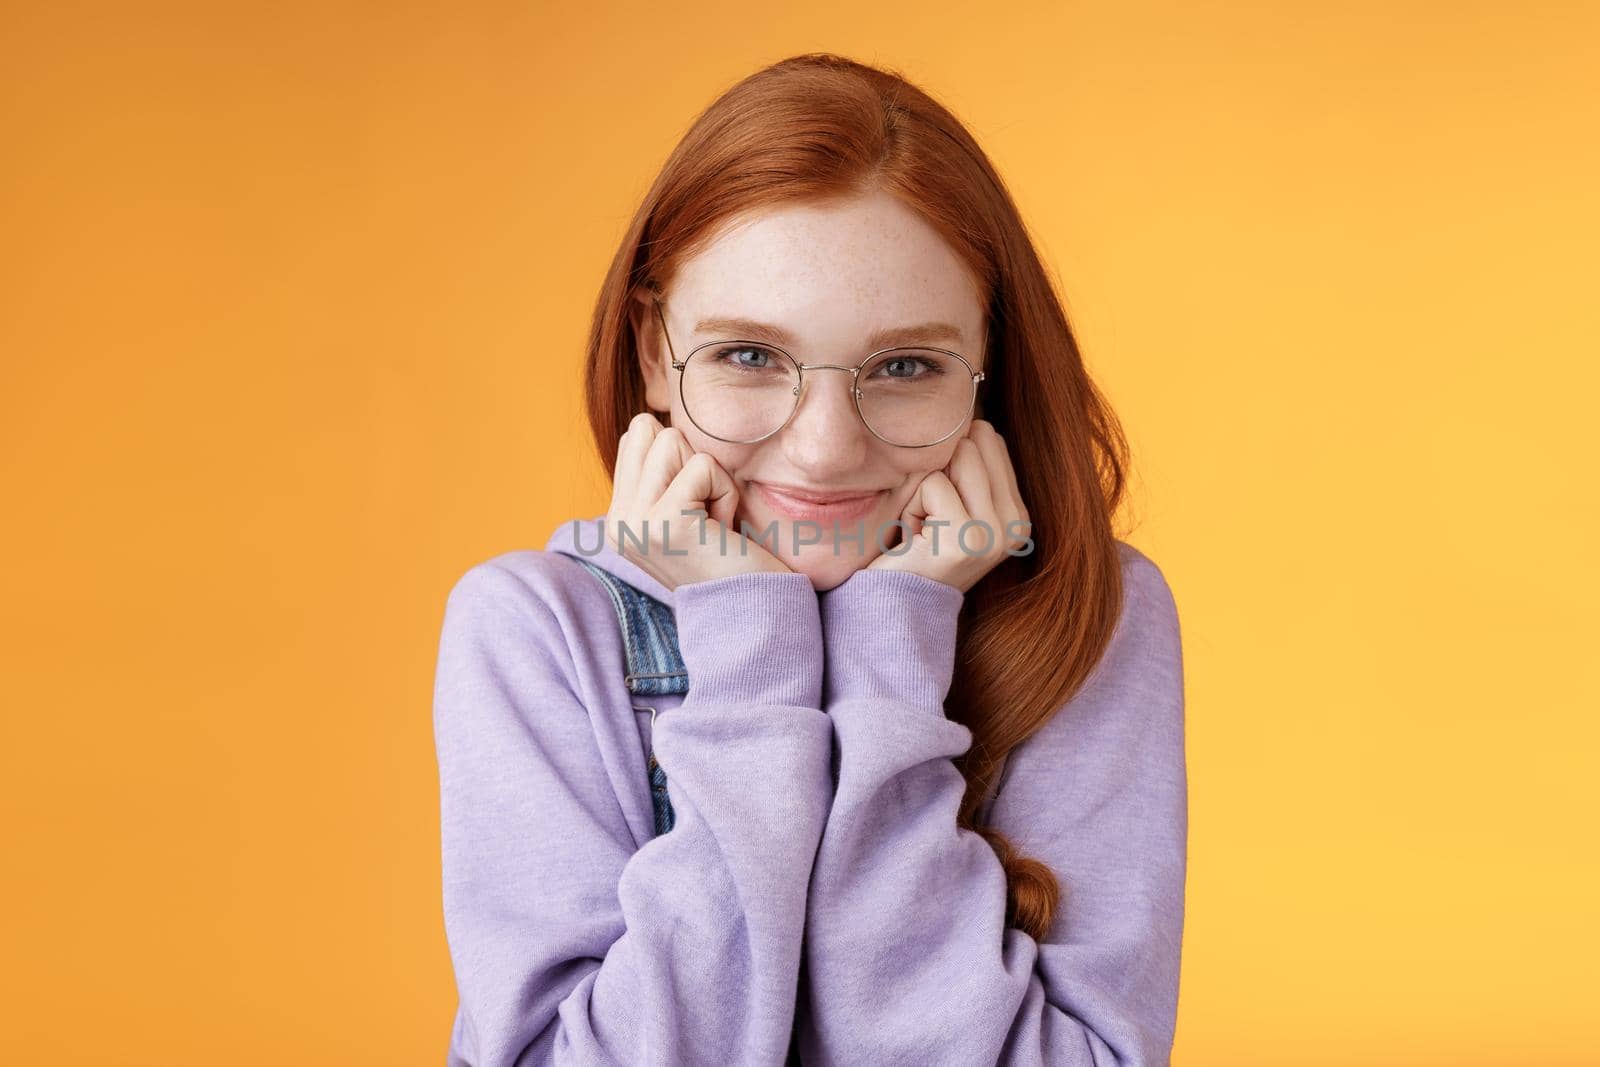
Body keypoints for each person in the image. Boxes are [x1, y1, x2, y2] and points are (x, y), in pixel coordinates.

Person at [432, 52, 1187, 1067]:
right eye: (749, 356)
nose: (825, 445)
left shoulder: (1094, 617)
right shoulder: (533, 631)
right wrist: (750, 653)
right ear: (655, 351)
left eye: (906, 365)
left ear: (985, 371)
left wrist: (892, 645)